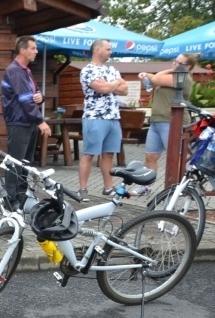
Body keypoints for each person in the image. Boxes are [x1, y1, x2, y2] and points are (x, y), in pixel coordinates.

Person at [133, 53, 200, 195]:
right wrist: (167, 71)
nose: (174, 64)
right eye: (174, 61)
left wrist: (151, 75)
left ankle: (178, 187)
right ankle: (146, 186)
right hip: (157, 121)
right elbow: (154, 82)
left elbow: (156, 79)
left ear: (187, 67)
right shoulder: (172, 75)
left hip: (172, 121)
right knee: (150, 156)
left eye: (179, 63)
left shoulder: (183, 78)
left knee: (175, 157)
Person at [0, 36, 51, 210]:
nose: (36, 51)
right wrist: (41, 121)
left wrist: (41, 96)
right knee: (16, 162)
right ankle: (10, 199)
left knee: (26, 163)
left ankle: (21, 196)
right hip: (18, 122)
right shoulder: (14, 70)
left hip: (27, 122)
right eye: (33, 48)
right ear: (23, 50)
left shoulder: (26, 71)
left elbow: (35, 93)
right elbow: (24, 99)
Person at [77, 39, 128, 201]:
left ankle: (108, 187)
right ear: (97, 50)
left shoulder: (112, 69)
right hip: (95, 117)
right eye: (108, 49)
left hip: (113, 117)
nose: (110, 52)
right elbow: (103, 89)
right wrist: (115, 83)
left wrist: (110, 85)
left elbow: (125, 90)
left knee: (109, 154)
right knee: (89, 154)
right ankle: (82, 189)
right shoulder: (88, 70)